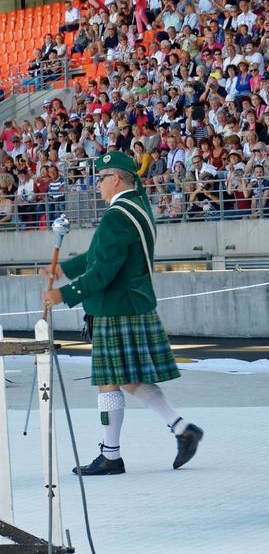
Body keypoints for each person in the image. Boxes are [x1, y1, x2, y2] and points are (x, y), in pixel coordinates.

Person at [46, 151, 204, 477]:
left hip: (116, 308)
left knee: (109, 382)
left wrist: (63, 294)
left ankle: (111, 456)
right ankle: (180, 429)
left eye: (101, 179)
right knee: (127, 380)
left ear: (115, 179)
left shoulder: (116, 216)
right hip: (132, 304)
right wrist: (66, 268)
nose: (97, 185)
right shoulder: (138, 206)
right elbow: (98, 255)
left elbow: (103, 271)